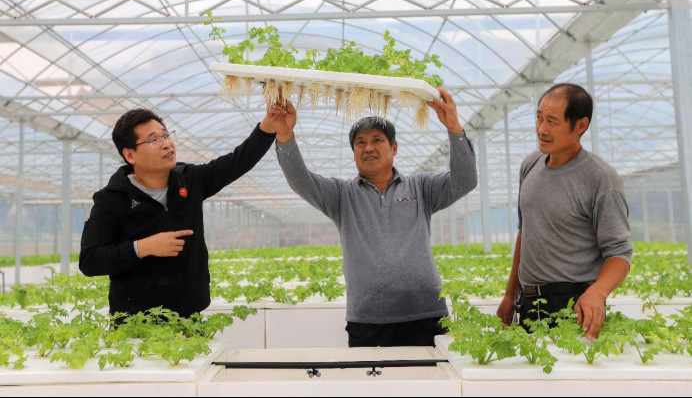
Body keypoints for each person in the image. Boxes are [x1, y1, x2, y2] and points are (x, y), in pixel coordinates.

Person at [268, 89, 477, 347]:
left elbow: (465, 181)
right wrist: (285, 135)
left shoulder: (420, 188)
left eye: (377, 140)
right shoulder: (341, 195)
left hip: (426, 314)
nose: (368, 148)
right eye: (360, 143)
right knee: (372, 386)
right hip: (368, 320)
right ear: (354, 152)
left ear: (394, 148)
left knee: (431, 385)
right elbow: (302, 181)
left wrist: (454, 128)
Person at [79, 108, 276, 319]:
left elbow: (237, 161)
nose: (166, 144)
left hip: (190, 317)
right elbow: (90, 260)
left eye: (166, 135)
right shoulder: (112, 199)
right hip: (136, 323)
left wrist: (270, 125)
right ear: (130, 154)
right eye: (153, 140)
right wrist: (142, 247)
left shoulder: (189, 180)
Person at [496, 83, 633, 340]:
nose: (541, 129)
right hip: (528, 303)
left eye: (551, 121)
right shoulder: (530, 165)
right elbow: (525, 234)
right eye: (538, 118)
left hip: (572, 305)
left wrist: (597, 293)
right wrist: (510, 294)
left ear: (580, 125)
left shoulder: (600, 179)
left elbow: (620, 253)